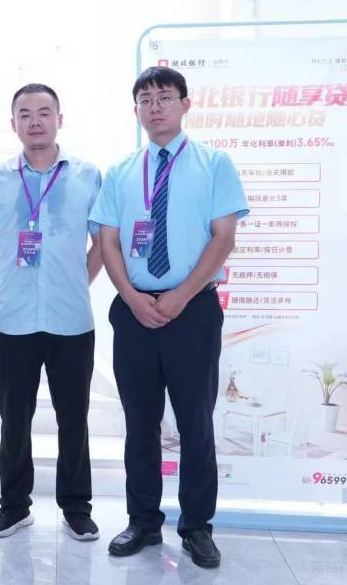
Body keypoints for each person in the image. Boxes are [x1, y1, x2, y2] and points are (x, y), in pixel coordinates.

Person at [89, 66, 248, 569]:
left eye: (164, 97)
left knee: (195, 422)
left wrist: (181, 294)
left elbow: (224, 237)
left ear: (185, 104)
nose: (154, 107)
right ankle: (142, 521)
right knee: (139, 423)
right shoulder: (121, 172)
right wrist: (132, 297)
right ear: (135, 109)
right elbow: (108, 242)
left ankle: (197, 526)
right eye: (145, 99)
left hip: (193, 309)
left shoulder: (214, 164)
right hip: (134, 310)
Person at [0, 83, 104, 540]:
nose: (35, 121)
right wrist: (6, 283)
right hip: (14, 321)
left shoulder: (87, 175)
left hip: (71, 321)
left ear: (59, 119)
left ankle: (76, 507)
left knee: (74, 418)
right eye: (24, 114)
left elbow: (103, 244)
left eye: (44, 112)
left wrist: (76, 283)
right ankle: (14, 506)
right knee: (14, 420)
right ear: (13, 124)